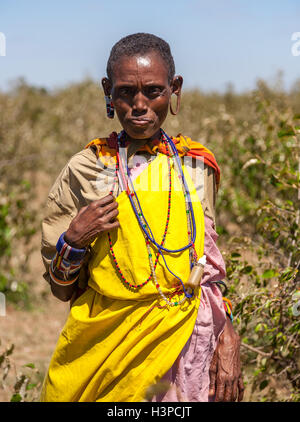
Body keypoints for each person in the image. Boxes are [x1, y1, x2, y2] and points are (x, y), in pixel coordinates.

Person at [40, 33, 244, 402]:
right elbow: (60, 286)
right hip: (105, 351)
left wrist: (227, 334)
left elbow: (208, 266)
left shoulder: (195, 165)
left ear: (174, 88)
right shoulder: (88, 168)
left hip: (188, 345)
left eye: (153, 91)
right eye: (124, 93)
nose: (139, 105)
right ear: (108, 92)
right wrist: (74, 239)